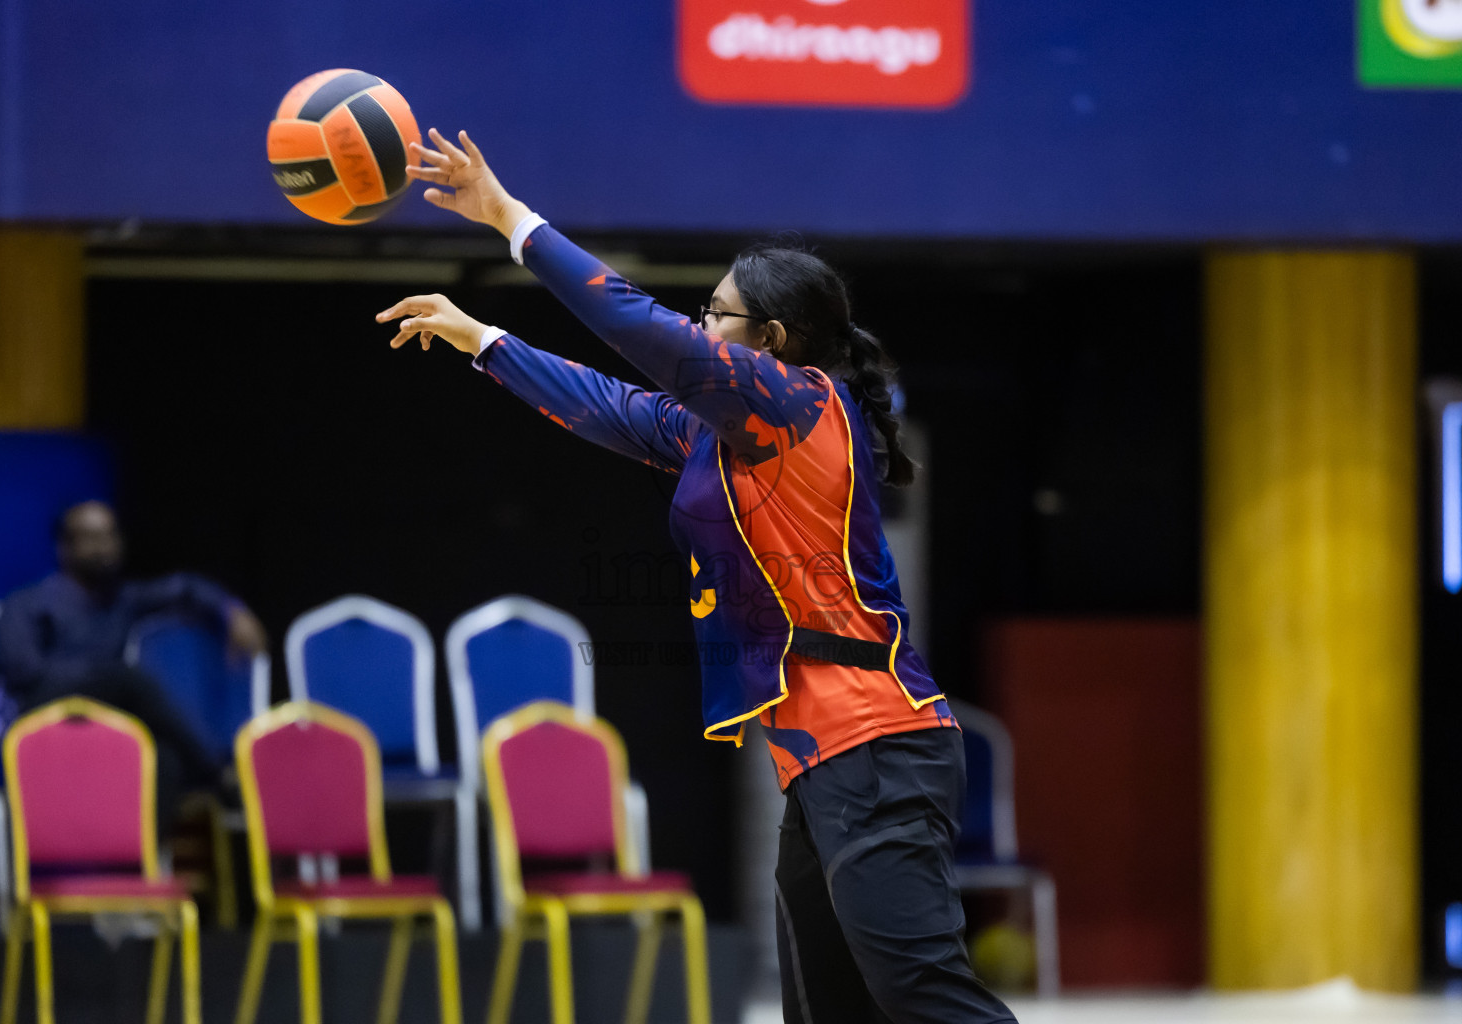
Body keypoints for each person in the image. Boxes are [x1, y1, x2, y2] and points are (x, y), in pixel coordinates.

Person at [377, 128, 1018, 1024]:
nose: (703, 324)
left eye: (717, 314)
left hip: (879, 748)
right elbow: (609, 405)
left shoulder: (796, 405)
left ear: (773, 339)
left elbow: (641, 332)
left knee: (922, 998)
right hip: (824, 761)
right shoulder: (726, 434)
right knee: (829, 1011)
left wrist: (508, 219)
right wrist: (483, 338)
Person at [0, 499, 268, 828]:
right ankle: (217, 776)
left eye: (110, 536)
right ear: (65, 547)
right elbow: (24, 672)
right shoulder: (27, 603)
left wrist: (230, 609)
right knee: (127, 680)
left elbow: (183, 588)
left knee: (164, 759)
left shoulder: (122, 599)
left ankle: (143, 865)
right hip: (36, 718)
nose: (104, 547)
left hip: (101, 723)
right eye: (91, 537)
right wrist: (100, 678)